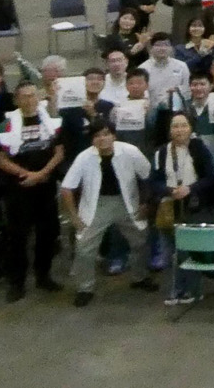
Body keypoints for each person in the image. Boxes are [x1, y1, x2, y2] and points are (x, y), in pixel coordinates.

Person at [59, 118, 155, 305]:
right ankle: (85, 287)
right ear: (92, 139)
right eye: (97, 136)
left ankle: (140, 277)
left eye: (106, 134)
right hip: (97, 205)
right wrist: (74, 216)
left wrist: (146, 203)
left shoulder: (130, 152)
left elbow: (148, 176)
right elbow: (67, 188)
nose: (102, 139)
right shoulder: (84, 158)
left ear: (114, 135)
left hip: (127, 202)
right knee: (84, 247)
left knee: (140, 240)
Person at [0, 80, 65, 301]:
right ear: (16, 100)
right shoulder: (6, 125)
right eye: (24, 96)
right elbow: (0, 159)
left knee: (48, 234)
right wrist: (26, 175)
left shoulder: (51, 121)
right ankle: (17, 282)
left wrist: (41, 174)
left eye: (33, 95)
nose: (30, 100)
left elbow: (59, 152)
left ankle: (44, 276)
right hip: (18, 189)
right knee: (18, 237)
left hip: (45, 187)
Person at [151, 109, 214, 305]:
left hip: (194, 207)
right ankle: (174, 289)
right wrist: (169, 190)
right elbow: (153, 181)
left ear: (191, 128)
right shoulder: (161, 152)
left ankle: (192, 290)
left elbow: (210, 178)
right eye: (175, 126)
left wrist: (190, 189)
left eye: (183, 125)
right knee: (168, 252)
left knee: (189, 250)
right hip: (168, 208)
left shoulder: (200, 149)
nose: (179, 130)